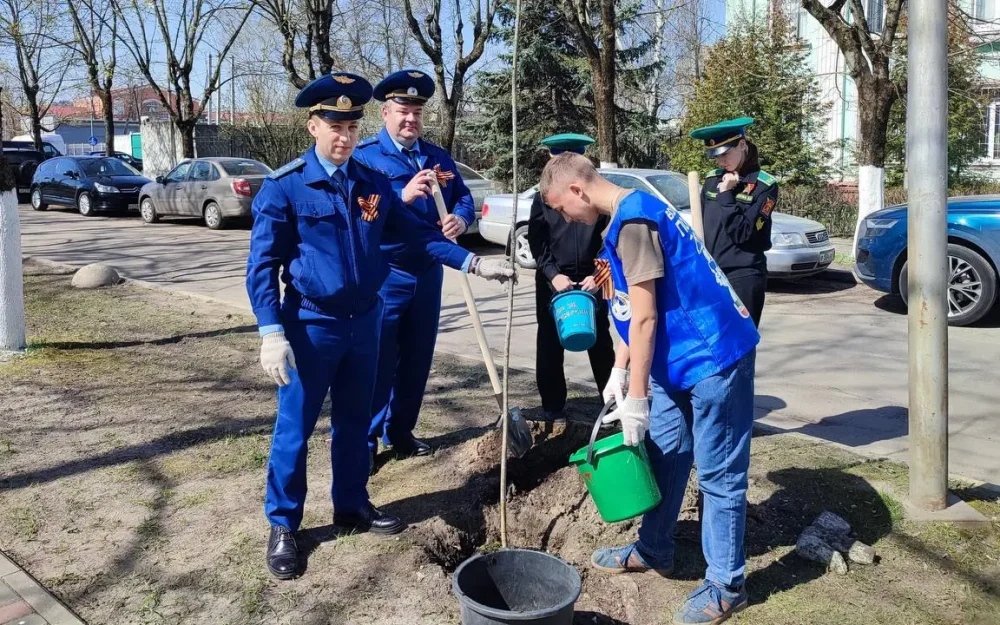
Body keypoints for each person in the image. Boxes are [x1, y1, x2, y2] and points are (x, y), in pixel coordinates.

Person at [246, 72, 513, 581]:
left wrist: (473, 264)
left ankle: (351, 505)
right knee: (295, 430)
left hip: (364, 322)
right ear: (313, 127)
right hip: (310, 325)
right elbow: (262, 267)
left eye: (350, 124)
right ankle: (284, 525)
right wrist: (270, 331)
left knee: (353, 421)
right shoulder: (285, 188)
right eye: (333, 124)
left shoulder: (369, 184)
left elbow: (416, 235)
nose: (344, 134)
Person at [539, 153, 760, 625]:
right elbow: (628, 309)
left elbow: (646, 317)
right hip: (674, 359)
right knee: (666, 452)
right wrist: (620, 369)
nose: (563, 217)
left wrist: (636, 398)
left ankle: (727, 585)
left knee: (719, 473)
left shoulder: (636, 222)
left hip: (713, 354)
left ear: (577, 190)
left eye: (561, 207)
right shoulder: (623, 217)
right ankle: (654, 548)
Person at [354, 70, 477, 465]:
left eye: (417, 113)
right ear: (385, 113)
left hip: (429, 272)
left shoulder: (436, 157)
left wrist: (459, 218)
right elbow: (362, 211)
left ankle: (400, 431)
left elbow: (463, 196)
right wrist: (399, 196)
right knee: (379, 360)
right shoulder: (366, 158)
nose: (411, 120)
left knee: (418, 358)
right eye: (403, 112)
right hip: (388, 273)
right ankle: (367, 443)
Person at [526, 133, 614, 421]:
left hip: (594, 279)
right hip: (555, 281)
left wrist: (598, 275)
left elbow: (610, 241)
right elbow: (537, 240)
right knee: (550, 343)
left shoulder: (594, 196)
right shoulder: (543, 198)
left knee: (601, 341)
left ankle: (612, 403)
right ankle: (553, 406)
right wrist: (552, 275)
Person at [690, 117, 778, 327]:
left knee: (742, 343)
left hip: (744, 275)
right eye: (716, 157)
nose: (721, 162)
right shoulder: (713, 180)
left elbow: (743, 233)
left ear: (742, 144)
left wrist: (726, 194)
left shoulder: (764, 186)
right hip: (712, 272)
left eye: (725, 154)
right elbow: (701, 225)